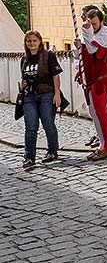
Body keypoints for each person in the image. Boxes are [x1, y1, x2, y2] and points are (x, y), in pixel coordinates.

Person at [74, 8, 107, 161]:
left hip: (101, 77)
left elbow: (94, 49)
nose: (92, 26)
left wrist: (86, 33)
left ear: (101, 21)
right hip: (90, 77)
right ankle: (102, 144)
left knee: (100, 111)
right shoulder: (88, 32)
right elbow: (80, 55)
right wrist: (78, 46)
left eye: (95, 24)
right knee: (94, 112)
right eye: (90, 24)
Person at [20, 30, 62, 170]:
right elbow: (24, 77)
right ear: (26, 43)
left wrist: (57, 94)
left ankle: (52, 151)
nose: (31, 43)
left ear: (39, 42)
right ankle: (29, 156)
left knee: (48, 123)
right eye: (29, 41)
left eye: (34, 40)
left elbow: (56, 75)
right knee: (30, 127)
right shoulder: (24, 59)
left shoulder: (48, 55)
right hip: (29, 95)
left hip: (46, 93)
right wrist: (23, 85)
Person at [76, 4, 100, 149]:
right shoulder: (84, 32)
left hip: (96, 75)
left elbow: (93, 51)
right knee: (92, 108)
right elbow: (78, 55)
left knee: (98, 108)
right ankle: (98, 133)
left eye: (85, 15)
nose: (83, 18)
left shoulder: (97, 32)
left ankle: (101, 135)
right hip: (85, 75)